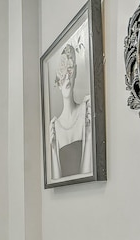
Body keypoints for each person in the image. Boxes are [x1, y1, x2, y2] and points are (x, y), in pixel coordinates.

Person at [49, 44, 92, 180]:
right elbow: (57, 180)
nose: (67, 77)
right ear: (57, 79)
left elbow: (87, 176)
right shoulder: (55, 126)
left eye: (70, 69)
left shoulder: (86, 110)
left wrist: (89, 133)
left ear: (76, 71)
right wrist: (53, 149)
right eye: (62, 72)